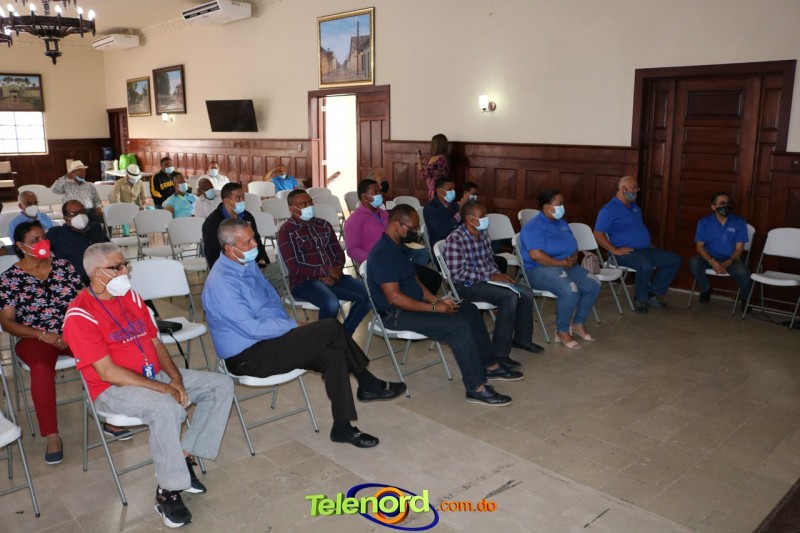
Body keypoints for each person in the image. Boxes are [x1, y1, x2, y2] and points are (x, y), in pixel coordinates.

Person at [63, 243, 233, 528]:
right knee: (166, 407)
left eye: (125, 264)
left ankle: (182, 458)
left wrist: (175, 378)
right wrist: (164, 389)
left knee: (221, 385)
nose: (125, 271)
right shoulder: (80, 315)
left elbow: (155, 341)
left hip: (152, 375)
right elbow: (107, 373)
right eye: (117, 267)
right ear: (96, 273)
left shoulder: (130, 296)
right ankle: (167, 491)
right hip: (112, 390)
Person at [203, 219, 405, 448]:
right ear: (230, 248)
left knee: (335, 354)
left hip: (272, 341)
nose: (255, 245)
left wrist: (287, 327)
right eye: (247, 242)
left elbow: (271, 304)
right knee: (330, 327)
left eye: (253, 238)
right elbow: (253, 328)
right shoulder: (222, 283)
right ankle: (367, 382)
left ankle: (342, 427)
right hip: (247, 356)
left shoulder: (246, 264)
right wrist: (292, 326)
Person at [367, 205, 522, 406]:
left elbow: (414, 281)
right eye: (412, 228)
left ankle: (490, 365)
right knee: (457, 327)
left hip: (414, 305)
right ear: (397, 225)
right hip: (395, 314)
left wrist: (436, 301)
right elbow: (395, 298)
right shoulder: (383, 254)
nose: (416, 232)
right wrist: (434, 308)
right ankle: (476, 388)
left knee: (469, 310)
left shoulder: (400, 248)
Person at [0, 221, 82, 464]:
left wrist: (72, 331)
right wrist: (43, 335)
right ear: (20, 246)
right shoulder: (9, 279)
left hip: (71, 331)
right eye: (35, 240)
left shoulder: (65, 267)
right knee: (41, 369)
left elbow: (82, 302)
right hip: (33, 337)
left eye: (43, 237)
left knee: (99, 353)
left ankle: (109, 415)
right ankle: (52, 435)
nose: (43, 243)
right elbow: (7, 323)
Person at [443, 200, 544, 364]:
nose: (486, 218)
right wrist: (491, 277)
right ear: (469, 219)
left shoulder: (482, 234)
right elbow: (457, 274)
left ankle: (522, 339)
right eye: (482, 215)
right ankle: (500, 353)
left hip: (485, 279)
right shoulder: (456, 239)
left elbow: (489, 261)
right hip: (465, 285)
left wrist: (499, 275)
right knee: (509, 297)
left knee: (526, 293)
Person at [278, 190, 370, 335]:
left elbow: (338, 253)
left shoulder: (323, 225)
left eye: (310, 202)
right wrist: (326, 270)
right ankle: (324, 342)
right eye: (303, 204)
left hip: (333, 276)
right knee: (331, 303)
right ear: (292, 208)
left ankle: (344, 336)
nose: (309, 206)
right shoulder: (287, 231)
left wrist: (336, 271)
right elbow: (294, 266)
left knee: (368, 295)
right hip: (304, 282)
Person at [520, 189, 601, 350]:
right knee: (570, 290)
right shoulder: (534, 226)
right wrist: (560, 263)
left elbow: (572, 245)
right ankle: (562, 330)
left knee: (594, 284)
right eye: (559, 204)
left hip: (566, 264)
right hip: (538, 269)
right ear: (546, 207)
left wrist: (574, 258)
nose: (562, 207)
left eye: (563, 204)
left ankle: (578, 323)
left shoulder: (562, 223)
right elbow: (536, 256)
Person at [594, 176, 682, 313]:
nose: (636, 191)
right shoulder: (608, 210)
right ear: (623, 189)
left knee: (674, 260)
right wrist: (614, 250)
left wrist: (646, 242)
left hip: (644, 249)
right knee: (645, 265)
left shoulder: (635, 207)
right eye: (633, 188)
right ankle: (641, 299)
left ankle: (652, 293)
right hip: (623, 253)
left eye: (637, 188)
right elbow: (598, 234)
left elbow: (636, 228)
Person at [343, 178, 441, 294]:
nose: (379, 194)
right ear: (364, 196)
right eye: (375, 192)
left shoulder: (384, 214)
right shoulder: (354, 220)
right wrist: (375, 259)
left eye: (380, 191)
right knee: (422, 282)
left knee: (432, 276)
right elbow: (352, 249)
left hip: (397, 256)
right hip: (379, 263)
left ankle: (419, 297)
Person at [689, 191, 752, 306]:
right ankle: (706, 289)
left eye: (728, 203)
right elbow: (699, 247)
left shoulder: (739, 222)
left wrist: (728, 262)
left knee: (743, 271)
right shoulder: (704, 222)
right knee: (694, 262)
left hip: (732, 259)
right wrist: (712, 261)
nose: (726, 206)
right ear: (713, 207)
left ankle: (745, 299)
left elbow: (739, 249)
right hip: (709, 257)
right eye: (722, 203)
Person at [201, 182, 268, 269]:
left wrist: (262, 261)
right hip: (229, 269)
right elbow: (213, 254)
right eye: (238, 198)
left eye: (243, 197)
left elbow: (257, 241)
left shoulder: (247, 217)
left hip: (253, 265)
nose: (242, 201)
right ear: (226, 201)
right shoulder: (212, 223)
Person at [47, 200, 109, 285]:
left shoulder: (95, 227)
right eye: (73, 214)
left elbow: (108, 248)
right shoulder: (57, 234)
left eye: (82, 211)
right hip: (75, 281)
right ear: (66, 219)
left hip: (102, 275)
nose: (79, 215)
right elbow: (40, 250)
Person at [422, 177, 467, 249]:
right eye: (450, 189)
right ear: (439, 191)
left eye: (454, 189)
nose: (453, 192)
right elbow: (442, 232)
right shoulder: (430, 208)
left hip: (458, 241)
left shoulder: (454, 205)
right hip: (442, 246)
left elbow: (462, 225)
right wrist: (459, 213)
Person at [418, 133, 450, 200]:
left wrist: (420, 165)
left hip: (434, 187)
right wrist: (428, 161)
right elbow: (435, 169)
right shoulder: (444, 157)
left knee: (434, 204)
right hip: (443, 187)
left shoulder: (434, 158)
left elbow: (424, 175)